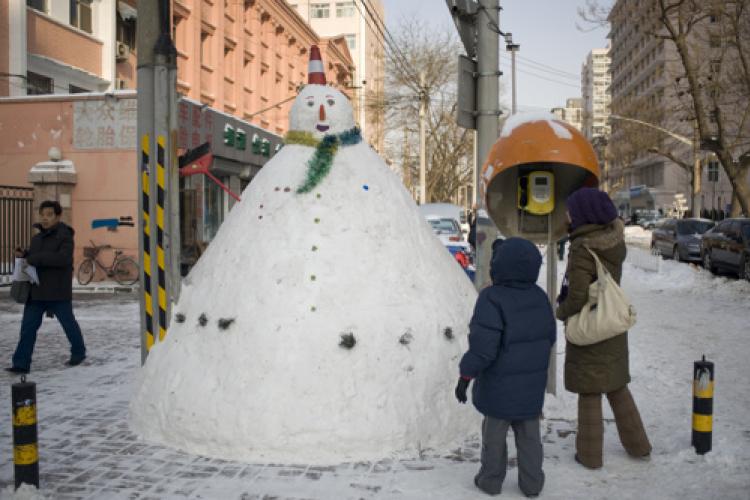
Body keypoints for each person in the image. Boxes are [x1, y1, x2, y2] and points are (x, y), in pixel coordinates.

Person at [556, 187, 651, 469]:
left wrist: (561, 312)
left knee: (589, 393)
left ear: (584, 214)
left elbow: (578, 296)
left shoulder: (583, 248)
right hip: (611, 326)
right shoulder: (611, 243)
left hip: (591, 330)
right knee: (617, 388)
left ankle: (589, 457)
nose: (567, 215)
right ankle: (639, 446)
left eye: (571, 211)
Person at [455, 238, 556, 497]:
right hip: (531, 386)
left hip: (499, 387)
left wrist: (466, 375)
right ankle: (532, 485)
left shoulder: (492, 298)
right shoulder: (540, 297)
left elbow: (483, 348)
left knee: (494, 438)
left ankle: (490, 481)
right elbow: (550, 338)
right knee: (530, 438)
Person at [6, 200, 86, 374]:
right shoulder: (37, 238)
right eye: (42, 214)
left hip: (58, 291)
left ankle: (79, 353)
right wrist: (25, 254)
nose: (44, 218)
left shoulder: (65, 236)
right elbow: (35, 257)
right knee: (27, 328)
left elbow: (63, 259)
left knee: (69, 325)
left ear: (58, 216)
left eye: (49, 215)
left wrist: (35, 258)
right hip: (36, 292)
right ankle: (21, 363)